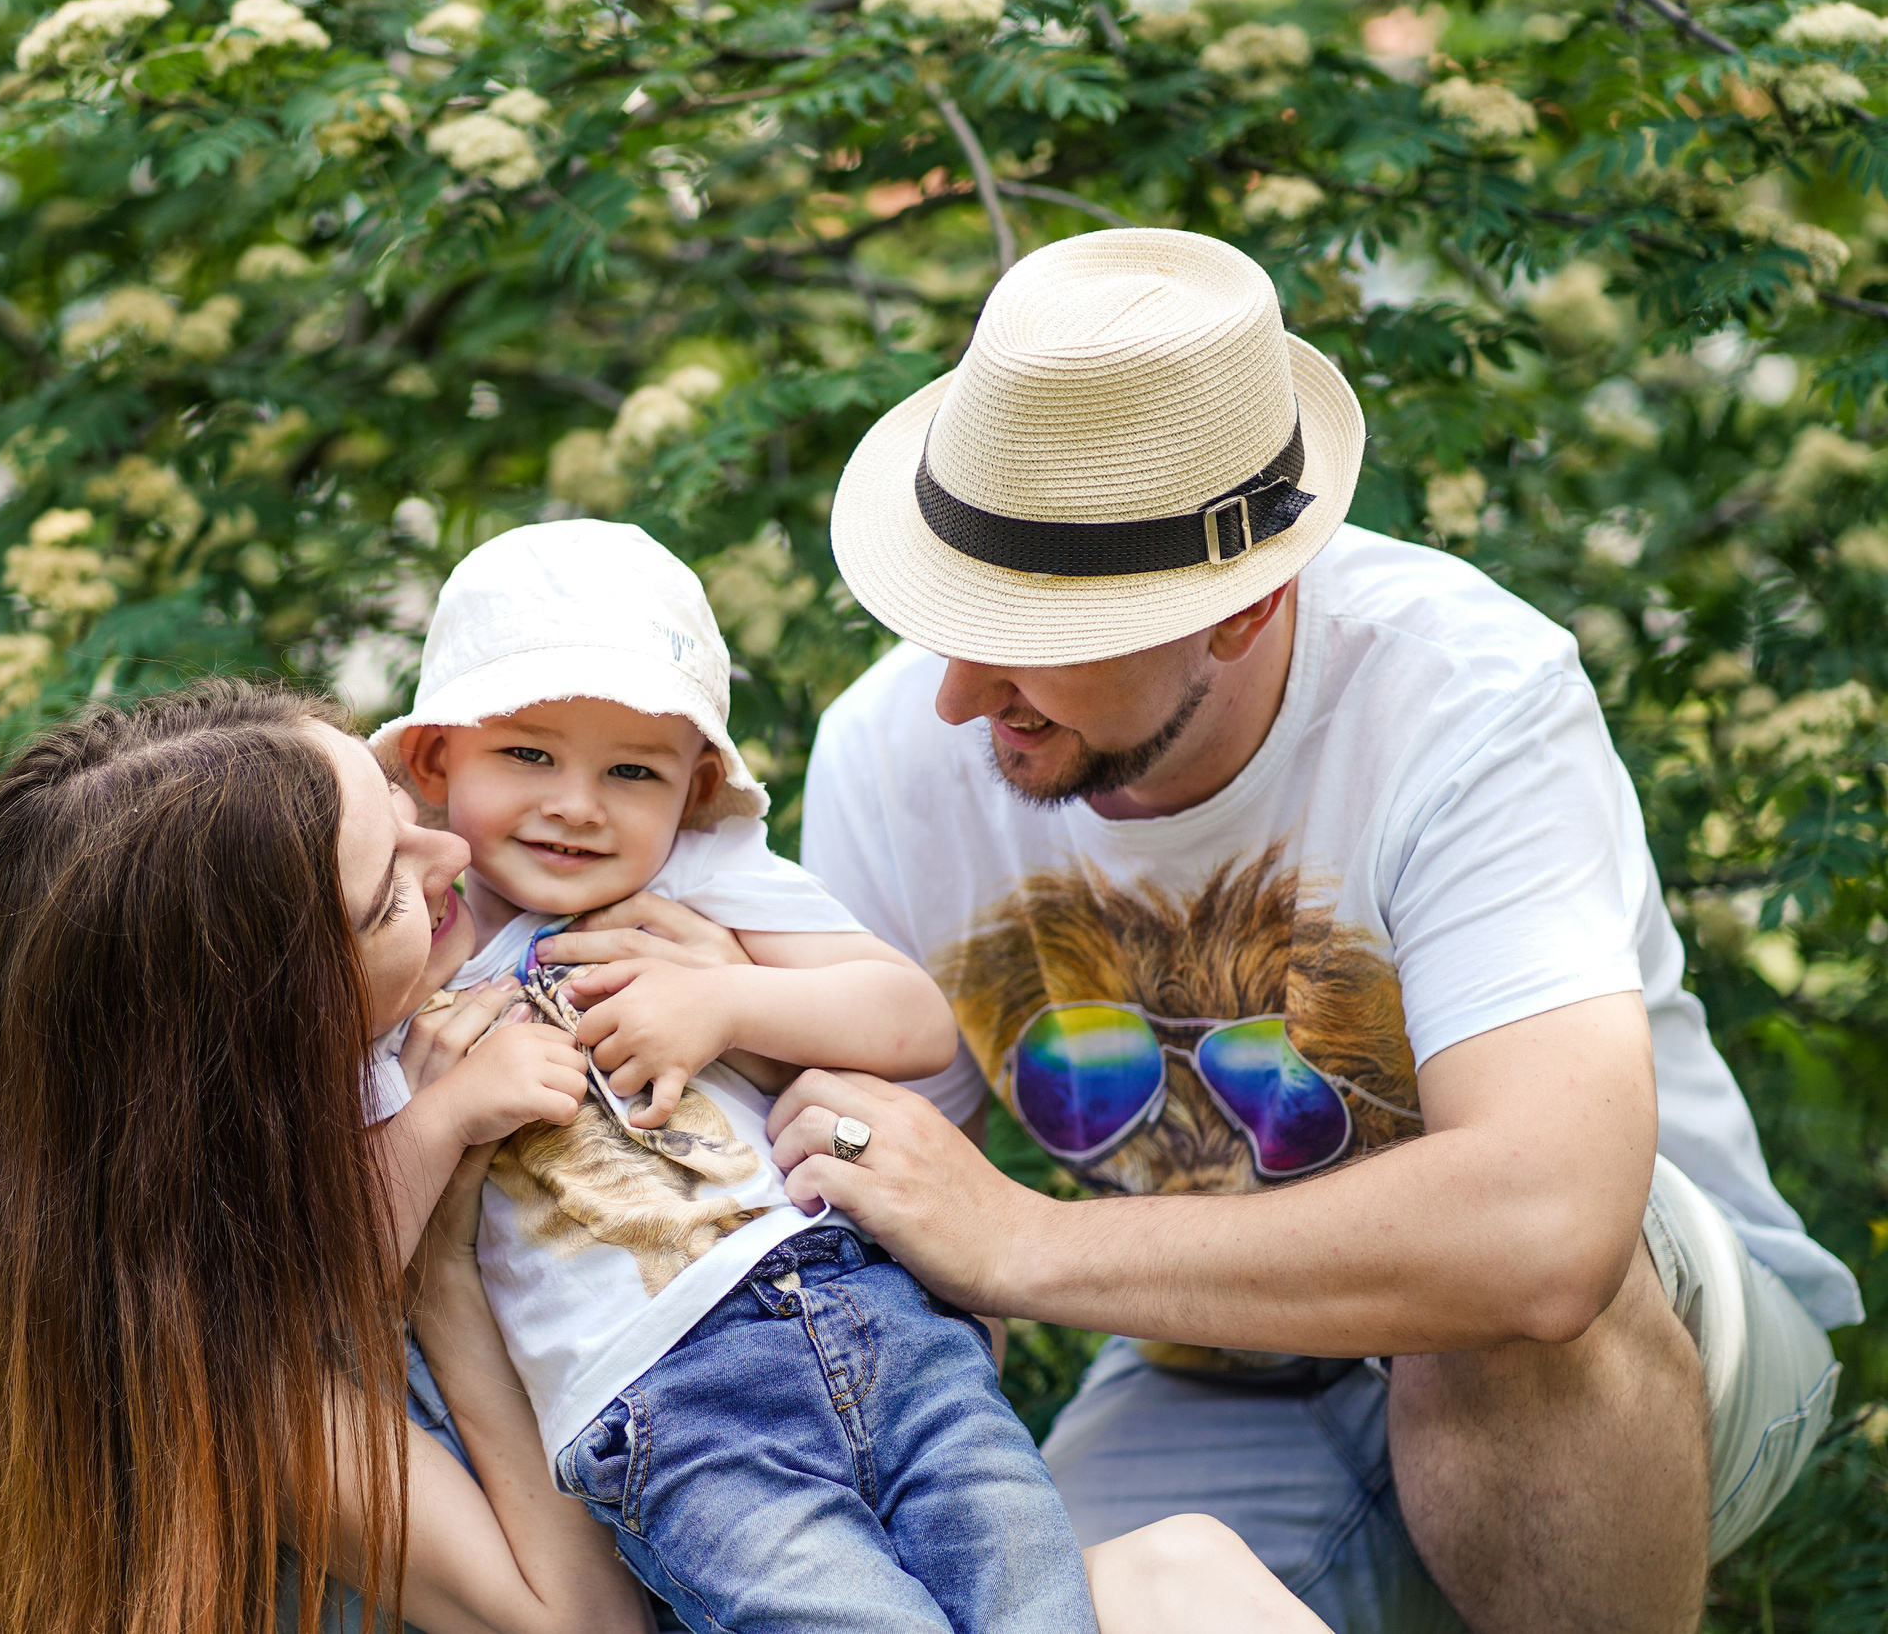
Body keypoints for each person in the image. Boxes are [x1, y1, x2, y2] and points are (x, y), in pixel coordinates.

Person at [770, 227, 1861, 1634]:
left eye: (1028, 628)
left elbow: (1547, 1232)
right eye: (946, 614)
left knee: (1484, 1307)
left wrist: (1026, 1244)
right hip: (1219, 1367)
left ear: (1245, 604)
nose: (959, 694)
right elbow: (886, 1233)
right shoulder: (888, 752)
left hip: (1646, 1352)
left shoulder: (1467, 696)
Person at [0, 676, 1334, 1634]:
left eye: (398, 800)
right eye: (383, 890)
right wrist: (446, 1289)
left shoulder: (525, 964)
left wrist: (739, 1008)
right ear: (272, 1016)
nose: (445, 855)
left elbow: (852, 1102)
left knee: (1191, 1574)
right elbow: (582, 1620)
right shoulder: (222, 1341)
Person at [366, 518, 1094, 1634]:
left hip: (865, 1309)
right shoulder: (399, 962)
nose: (577, 803)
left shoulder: (702, 875)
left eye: (631, 772)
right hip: (669, 1404)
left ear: (694, 785)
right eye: (527, 755)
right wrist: (451, 1110)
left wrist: (728, 1000)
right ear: (433, 759)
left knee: (1032, 1590)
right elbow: (337, 1248)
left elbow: (910, 1022)